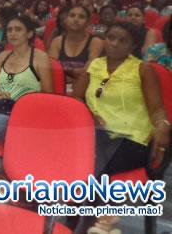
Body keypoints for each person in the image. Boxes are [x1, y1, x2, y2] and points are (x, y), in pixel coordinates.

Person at [72, 22, 169, 234]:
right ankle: (85, 223)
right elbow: (77, 98)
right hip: (96, 136)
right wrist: (90, 115)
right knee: (75, 158)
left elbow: (157, 109)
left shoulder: (143, 70)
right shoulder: (94, 65)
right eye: (111, 38)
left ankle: (83, 225)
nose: (114, 44)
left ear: (133, 45)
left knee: (91, 165)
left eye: (122, 40)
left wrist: (163, 124)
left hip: (131, 140)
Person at [0, 15, 53, 149]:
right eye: (9, 30)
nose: (12, 33)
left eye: (18, 29)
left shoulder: (40, 57)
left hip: (24, 116)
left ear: (29, 34)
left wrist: (25, 102)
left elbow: (49, 95)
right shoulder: (3, 56)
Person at [48, 5, 103, 90]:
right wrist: (73, 72)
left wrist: (65, 72)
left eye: (81, 17)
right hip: (60, 87)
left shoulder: (95, 42)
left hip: (86, 89)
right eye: (72, 15)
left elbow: (87, 73)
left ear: (88, 22)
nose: (76, 19)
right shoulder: (57, 41)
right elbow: (52, 70)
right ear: (66, 20)